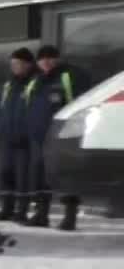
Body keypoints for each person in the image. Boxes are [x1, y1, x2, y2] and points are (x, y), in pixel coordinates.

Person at [25, 45, 91, 230]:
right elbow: (29, 108)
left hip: (63, 136)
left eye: (50, 58)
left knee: (66, 175)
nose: (46, 62)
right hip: (39, 137)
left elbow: (80, 104)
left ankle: (70, 217)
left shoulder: (69, 76)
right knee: (40, 175)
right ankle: (41, 213)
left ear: (58, 59)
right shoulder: (35, 80)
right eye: (42, 58)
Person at [0, 48, 37, 222]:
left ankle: (22, 210)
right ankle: (6, 208)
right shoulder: (9, 85)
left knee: (23, 176)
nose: (15, 67)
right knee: (6, 173)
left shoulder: (34, 83)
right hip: (7, 137)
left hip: (25, 138)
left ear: (28, 64)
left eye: (18, 64)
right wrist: (0, 128)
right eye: (13, 64)